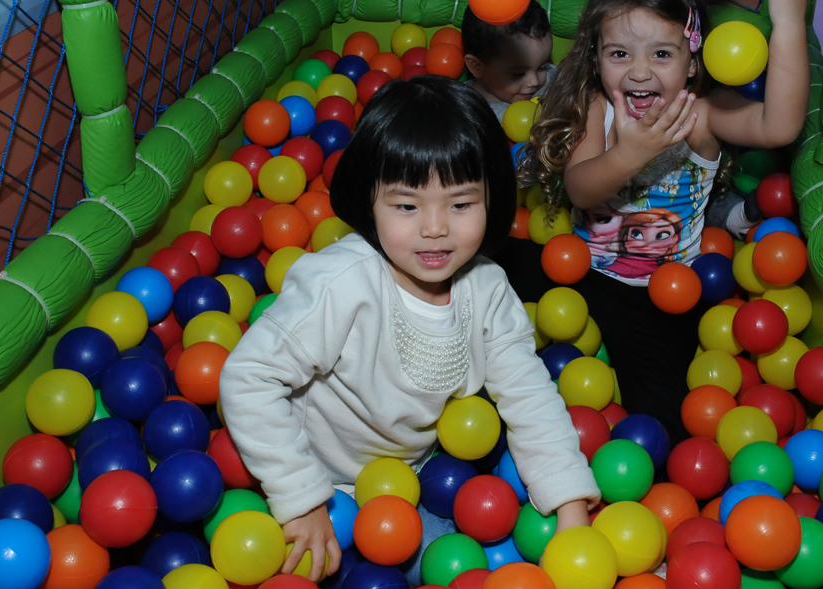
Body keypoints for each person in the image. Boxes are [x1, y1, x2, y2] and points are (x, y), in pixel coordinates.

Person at [220, 76, 598, 584]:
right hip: (315, 477)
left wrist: (570, 501)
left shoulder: (487, 290)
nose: (434, 228)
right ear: (369, 202)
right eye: (406, 206)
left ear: (492, 199)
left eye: (460, 204)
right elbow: (248, 376)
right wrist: (300, 498)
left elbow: (528, 396)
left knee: (469, 564)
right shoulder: (341, 283)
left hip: (416, 478)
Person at [498, 0, 816, 444]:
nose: (640, 72)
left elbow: (779, 126)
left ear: (693, 64)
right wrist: (630, 152)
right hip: (578, 269)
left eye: (662, 55)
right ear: (596, 58)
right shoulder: (597, 106)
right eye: (619, 54)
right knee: (480, 254)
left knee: (661, 431)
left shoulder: (701, 115)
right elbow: (581, 190)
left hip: (657, 294)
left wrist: (788, 22)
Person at [462, 0, 555, 122]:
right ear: (476, 67)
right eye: (518, 74)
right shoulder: (469, 115)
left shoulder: (557, 81)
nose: (534, 82)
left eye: (542, 67)